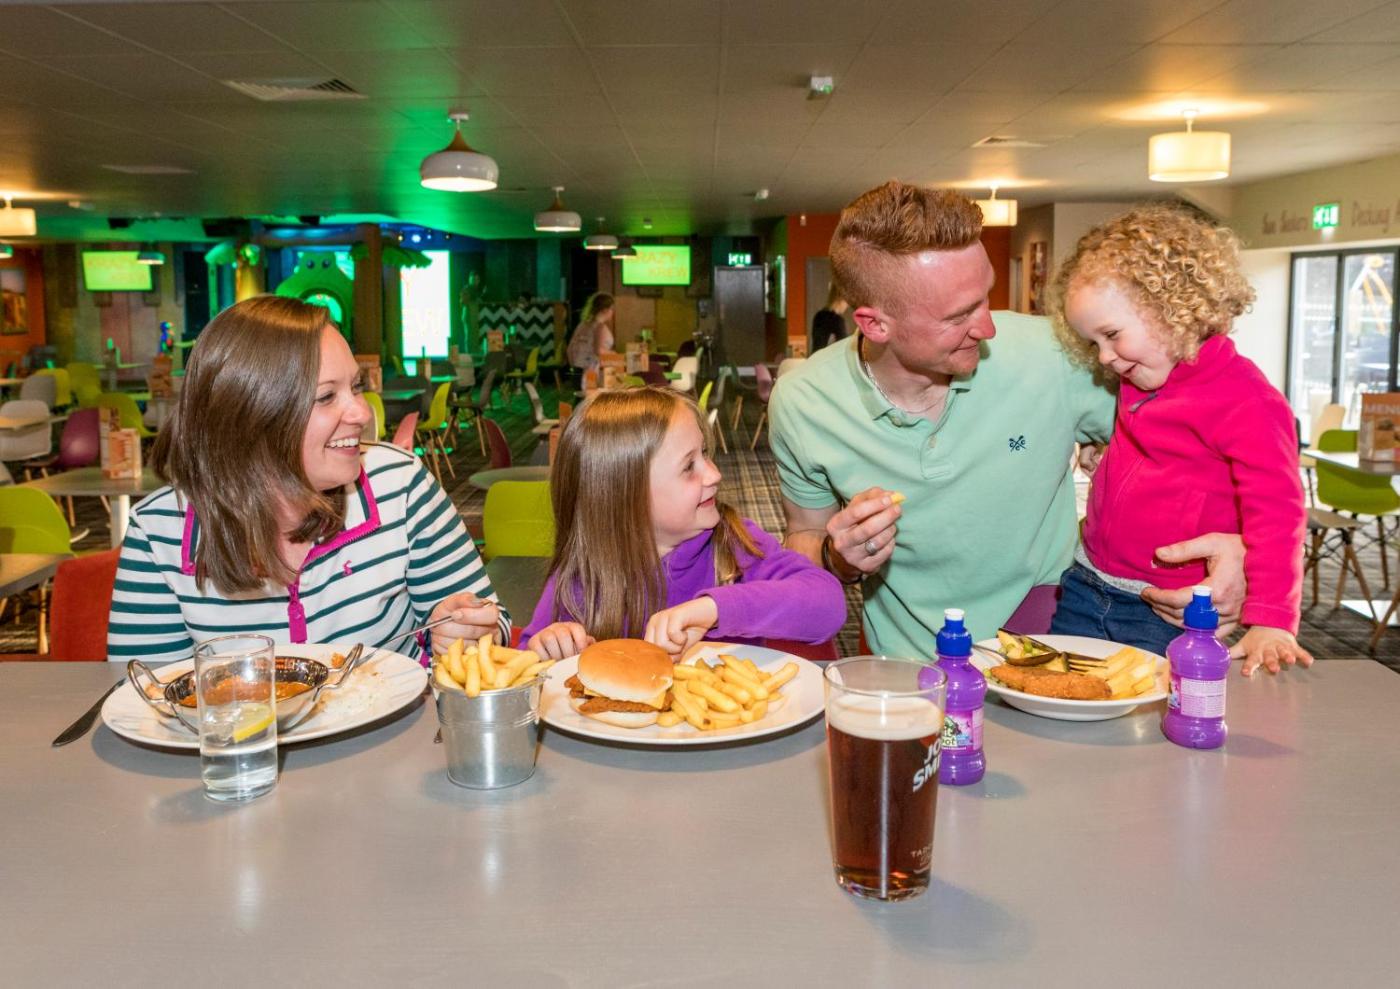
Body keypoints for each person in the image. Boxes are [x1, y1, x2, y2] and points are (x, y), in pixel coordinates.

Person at [768, 180, 1248, 657]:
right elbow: (805, 534)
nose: (988, 326)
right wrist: (839, 558)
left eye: (986, 297)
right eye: (958, 316)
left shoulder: (1055, 352)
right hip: (905, 662)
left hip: (1051, 640)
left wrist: (1239, 545)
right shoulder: (803, 400)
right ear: (875, 324)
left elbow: (1231, 438)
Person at [107, 296, 508, 664]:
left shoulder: (399, 484)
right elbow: (145, 692)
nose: (362, 413)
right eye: (326, 397)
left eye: (355, 387)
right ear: (250, 417)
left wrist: (471, 631)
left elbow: (495, 624)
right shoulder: (160, 530)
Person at [1048, 205, 1310, 676]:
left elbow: (1278, 513)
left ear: (1171, 307)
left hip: (1167, 609)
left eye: (1112, 335)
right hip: (1087, 584)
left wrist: (1271, 618)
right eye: (1093, 343)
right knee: (1059, 691)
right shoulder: (1138, 376)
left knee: (1156, 710)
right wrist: (1103, 451)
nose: (1104, 357)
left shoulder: (1246, 399)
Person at [521, 387, 846, 660]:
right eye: (689, 467)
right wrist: (549, 647)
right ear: (625, 496)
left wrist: (715, 608)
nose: (714, 474)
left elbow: (827, 604)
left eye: (705, 453)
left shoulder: (732, 543)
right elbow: (527, 658)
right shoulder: (583, 576)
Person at [566, 292, 616, 372]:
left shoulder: (582, 325)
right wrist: (614, 355)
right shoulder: (600, 327)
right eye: (612, 309)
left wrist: (574, 367)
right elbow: (598, 350)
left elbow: (569, 349)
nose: (612, 312)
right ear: (605, 310)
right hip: (592, 371)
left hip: (577, 369)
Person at [811, 286, 850, 351]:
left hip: (817, 356)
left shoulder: (818, 316)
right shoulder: (837, 320)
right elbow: (842, 349)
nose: (847, 306)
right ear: (841, 298)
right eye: (847, 301)